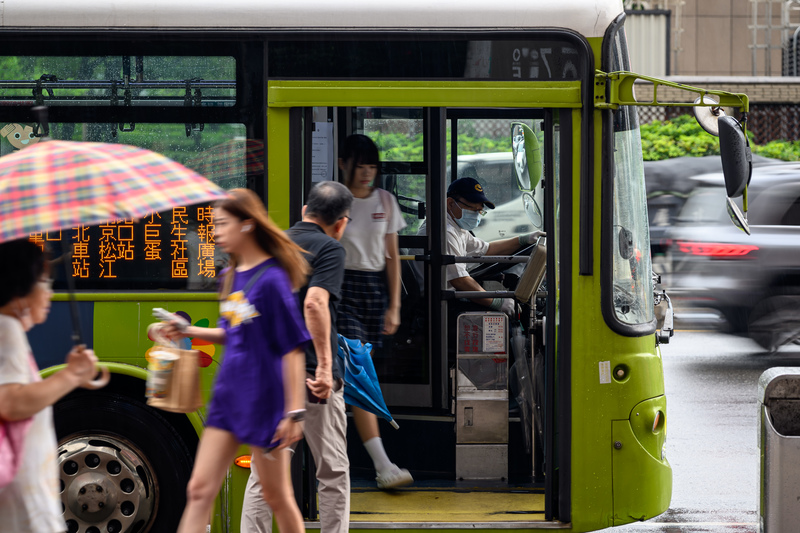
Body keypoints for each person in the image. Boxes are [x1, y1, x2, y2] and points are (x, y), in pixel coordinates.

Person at [169, 189, 311, 533]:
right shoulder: (229, 276)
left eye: (221, 224)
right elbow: (231, 333)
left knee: (278, 498)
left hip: (265, 402)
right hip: (228, 398)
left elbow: (292, 349)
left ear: (247, 225)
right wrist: (184, 329)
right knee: (199, 489)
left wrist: (293, 413)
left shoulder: (273, 280)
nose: (215, 232)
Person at [241, 180, 353, 533]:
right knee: (332, 470)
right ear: (342, 223)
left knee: (265, 475)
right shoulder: (330, 249)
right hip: (310, 378)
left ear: (304, 211)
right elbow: (315, 302)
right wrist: (323, 367)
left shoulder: (269, 245)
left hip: (270, 376)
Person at [0, 239, 105, 532]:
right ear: (21, 287)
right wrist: (70, 376)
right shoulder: (6, 330)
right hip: (21, 492)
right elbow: (11, 403)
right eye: (44, 282)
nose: (50, 293)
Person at [336, 134, 412, 490]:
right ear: (343, 165)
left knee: (357, 377)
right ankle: (383, 466)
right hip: (341, 290)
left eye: (372, 167)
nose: (367, 173)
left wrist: (394, 305)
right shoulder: (334, 200)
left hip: (374, 290)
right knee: (359, 375)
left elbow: (392, 257)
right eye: (360, 166)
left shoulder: (385, 200)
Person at [419, 177, 545, 315]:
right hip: (437, 303)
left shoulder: (456, 228)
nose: (477, 215)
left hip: (447, 295)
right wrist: (495, 301)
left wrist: (523, 239)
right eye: (473, 209)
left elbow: (487, 249)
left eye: (480, 211)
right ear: (450, 203)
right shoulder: (444, 232)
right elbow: (459, 280)